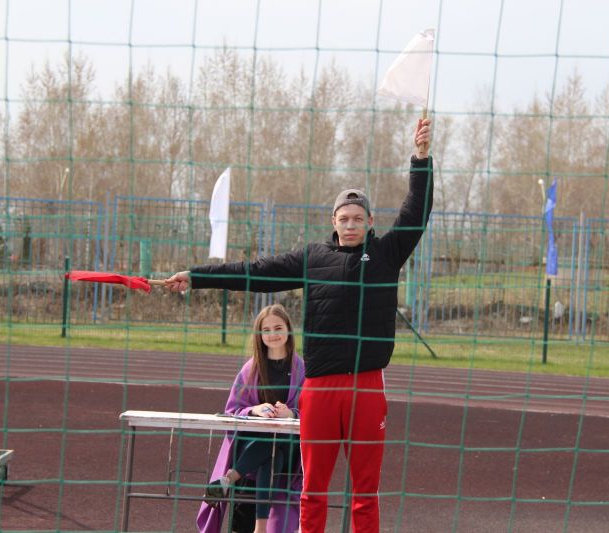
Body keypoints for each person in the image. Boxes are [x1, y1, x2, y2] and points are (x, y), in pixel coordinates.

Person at [169, 118, 433, 533]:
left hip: (366, 386)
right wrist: (197, 276)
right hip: (320, 389)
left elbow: (416, 211)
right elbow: (256, 271)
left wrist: (420, 158)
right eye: (343, 218)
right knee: (312, 489)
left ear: (370, 222)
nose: (350, 224)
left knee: (365, 491)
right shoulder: (313, 258)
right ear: (334, 221)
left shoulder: (386, 253)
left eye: (358, 218)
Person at [196, 304, 305, 533]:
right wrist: (254, 410)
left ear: (288, 329)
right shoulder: (251, 369)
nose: (273, 334)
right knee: (271, 452)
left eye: (278, 328)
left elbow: (312, 412)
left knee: (275, 445)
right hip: (253, 443)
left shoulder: (302, 369)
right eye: (266, 330)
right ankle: (260, 529)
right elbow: (232, 410)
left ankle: (228, 479)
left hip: (290, 447)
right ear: (259, 335)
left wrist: (292, 414)